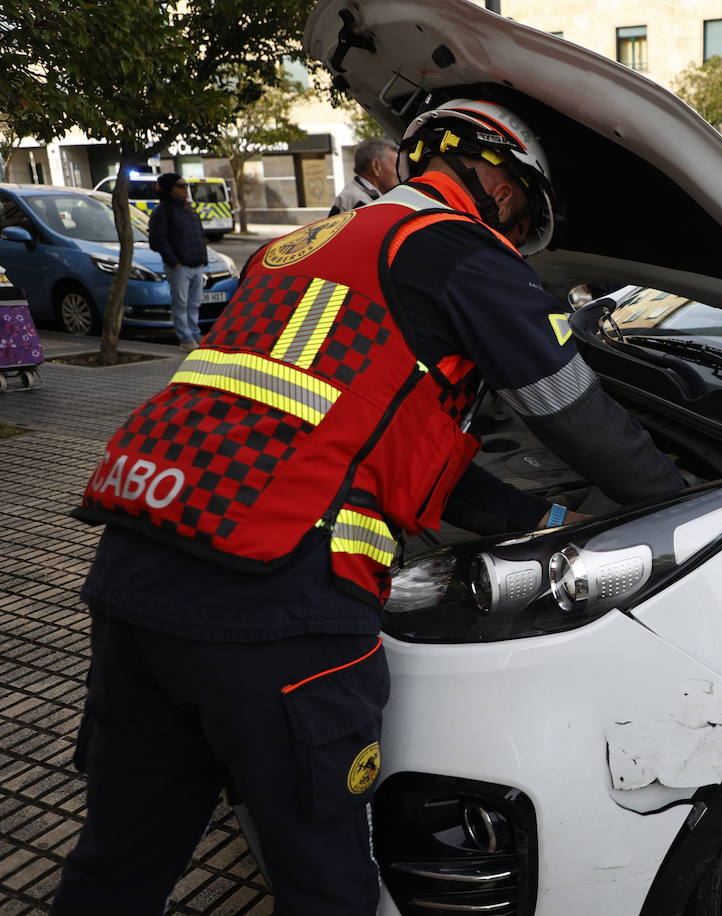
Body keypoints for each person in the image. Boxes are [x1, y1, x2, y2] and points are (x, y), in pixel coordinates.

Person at [52, 98, 685, 915]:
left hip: (137, 572)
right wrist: (679, 504)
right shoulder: (460, 252)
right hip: (277, 606)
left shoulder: (291, 251)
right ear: (493, 173)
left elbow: (355, 430)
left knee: (118, 863)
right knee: (328, 884)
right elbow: (571, 410)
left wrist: (531, 522)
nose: (516, 231)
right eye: (522, 211)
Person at [146, 172, 208, 352]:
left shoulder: (189, 209)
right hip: (180, 267)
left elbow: (199, 235)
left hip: (196, 264)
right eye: (180, 186)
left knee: (194, 303)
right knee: (180, 303)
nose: (185, 189)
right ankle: (186, 338)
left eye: (186, 185)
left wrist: (202, 259)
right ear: (169, 189)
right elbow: (158, 240)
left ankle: (195, 335)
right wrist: (174, 262)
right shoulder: (163, 211)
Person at [328, 136, 400, 215]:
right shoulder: (358, 203)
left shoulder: (363, 197)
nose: (399, 172)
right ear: (376, 166)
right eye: (396, 165)